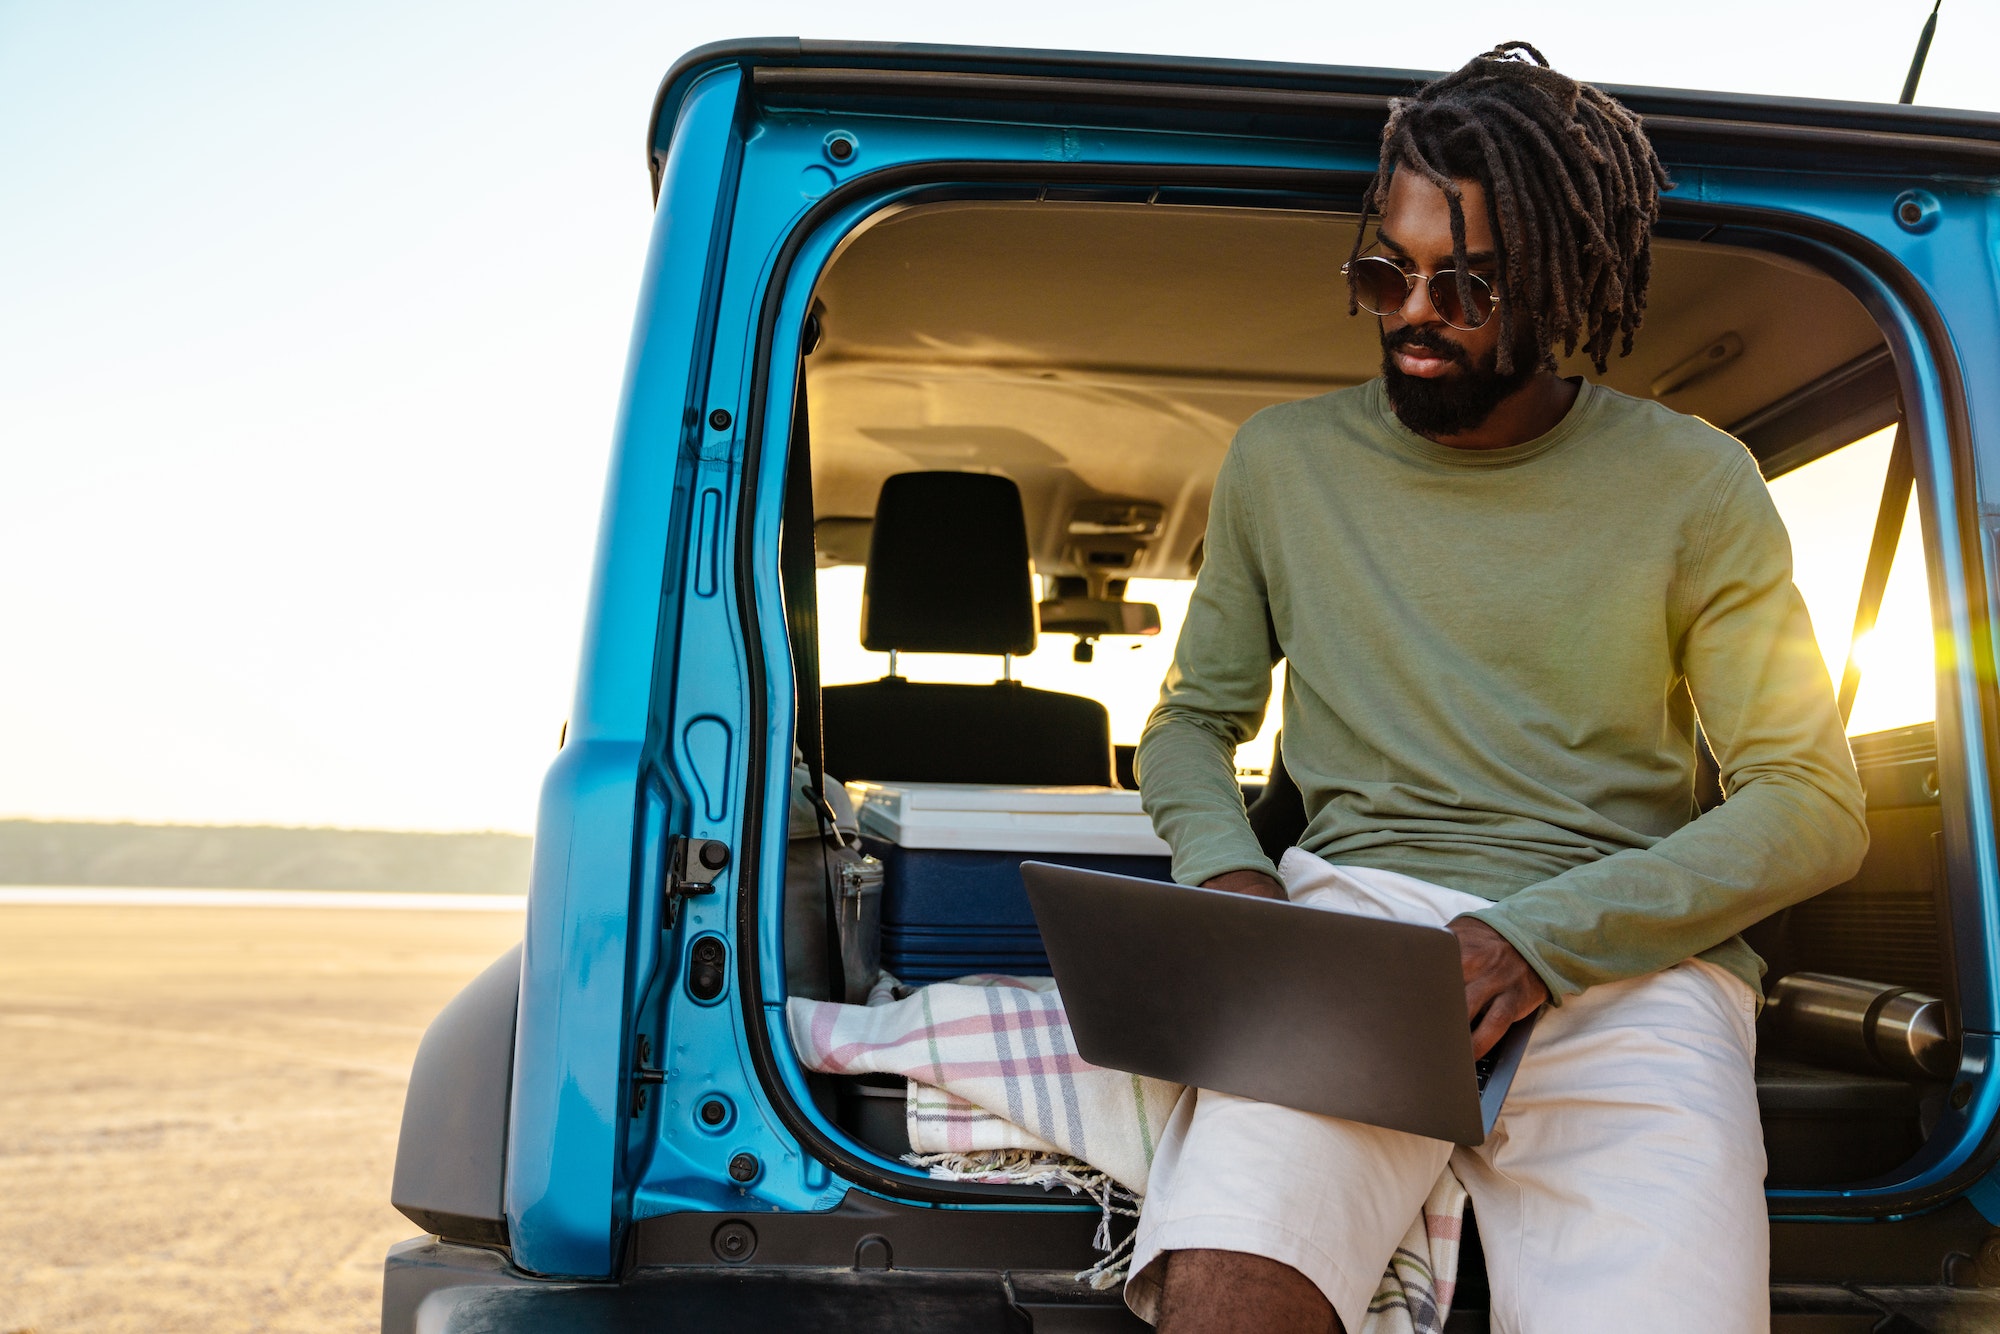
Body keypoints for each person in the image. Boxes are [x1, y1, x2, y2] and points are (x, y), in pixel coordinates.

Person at [1129, 43, 1868, 1334]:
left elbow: (1812, 802)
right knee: (1229, 1291)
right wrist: (1236, 884)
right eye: (1386, 272)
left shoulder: (1696, 482)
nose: (1416, 313)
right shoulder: (1281, 462)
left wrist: (1534, 942)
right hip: (1352, 933)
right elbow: (1194, 723)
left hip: (1631, 965)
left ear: (1568, 285)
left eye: (1468, 285)